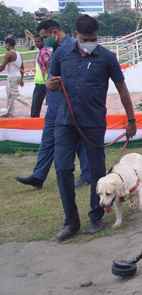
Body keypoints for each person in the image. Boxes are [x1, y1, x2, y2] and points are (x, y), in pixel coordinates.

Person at [47, 15, 137, 241]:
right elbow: (51, 80)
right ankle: (71, 221)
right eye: (85, 39)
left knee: (97, 171)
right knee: (63, 169)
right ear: (76, 35)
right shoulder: (61, 54)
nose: (89, 43)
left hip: (93, 123)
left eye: (93, 39)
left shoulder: (107, 57)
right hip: (65, 122)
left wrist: (131, 119)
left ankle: (96, 216)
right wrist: (50, 84)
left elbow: (122, 89)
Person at [15, 20, 93, 190]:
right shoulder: (56, 49)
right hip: (54, 105)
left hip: (69, 104)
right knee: (47, 140)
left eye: (45, 37)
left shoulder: (74, 46)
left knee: (77, 140)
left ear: (55, 32)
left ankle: (87, 174)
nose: (43, 41)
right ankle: (38, 175)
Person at [1, 36, 30, 117]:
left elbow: (2, 66)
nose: (5, 46)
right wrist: (21, 78)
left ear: (8, 44)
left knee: (15, 94)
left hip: (12, 77)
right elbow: (22, 67)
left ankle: (31, 106)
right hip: (17, 76)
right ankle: (9, 112)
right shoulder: (18, 53)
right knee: (10, 94)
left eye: (5, 44)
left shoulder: (9, 54)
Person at [30, 36, 50, 117]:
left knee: (35, 106)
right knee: (36, 105)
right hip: (40, 82)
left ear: (43, 42)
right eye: (36, 42)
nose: (37, 43)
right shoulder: (42, 51)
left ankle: (34, 123)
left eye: (39, 42)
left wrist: (50, 77)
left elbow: (48, 64)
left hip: (43, 82)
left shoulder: (44, 52)